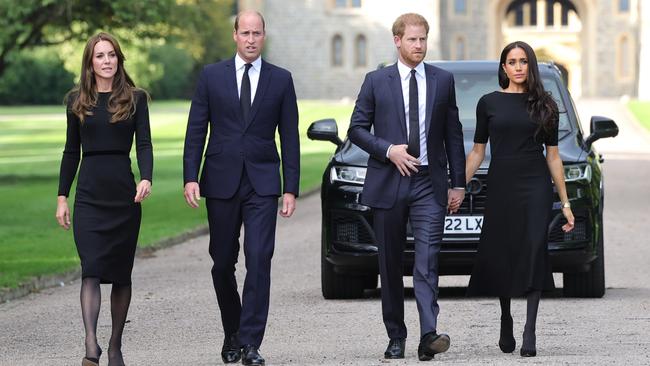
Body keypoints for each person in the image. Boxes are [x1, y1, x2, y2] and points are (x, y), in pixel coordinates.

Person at [182, 10, 299, 366]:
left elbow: (290, 137)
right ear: (234, 35)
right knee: (221, 263)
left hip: (263, 182)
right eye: (245, 32)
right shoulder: (211, 76)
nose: (251, 39)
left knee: (260, 259)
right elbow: (196, 129)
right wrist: (191, 176)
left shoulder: (281, 79)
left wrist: (290, 187)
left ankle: (249, 343)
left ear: (264, 36)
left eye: (257, 33)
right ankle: (232, 331)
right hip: (220, 180)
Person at [348, 13, 466, 362]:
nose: (419, 46)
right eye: (412, 40)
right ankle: (396, 335)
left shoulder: (443, 80)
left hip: (429, 182)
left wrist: (457, 182)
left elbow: (453, 134)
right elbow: (356, 128)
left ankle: (429, 334)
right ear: (397, 41)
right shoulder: (375, 81)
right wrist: (388, 150)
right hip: (390, 181)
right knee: (390, 262)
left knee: (427, 261)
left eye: (423, 39)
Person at [464, 41, 575, 357]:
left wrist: (565, 203)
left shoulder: (546, 105)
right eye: (511, 61)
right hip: (501, 184)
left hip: (535, 185)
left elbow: (553, 157)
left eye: (523, 61)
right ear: (503, 67)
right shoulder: (488, 103)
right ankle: (506, 317)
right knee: (504, 251)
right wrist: (457, 186)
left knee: (533, 248)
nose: (517, 66)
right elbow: (477, 151)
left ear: (530, 66)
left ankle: (530, 330)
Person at [55, 32, 153, 366]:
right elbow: (71, 152)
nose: (107, 60)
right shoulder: (76, 101)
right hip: (89, 198)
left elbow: (145, 144)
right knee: (91, 270)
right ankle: (90, 346)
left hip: (124, 198)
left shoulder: (136, 99)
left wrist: (146, 177)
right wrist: (61, 196)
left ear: (119, 59)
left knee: (122, 275)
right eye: (100, 56)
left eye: (111, 54)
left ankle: (115, 346)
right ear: (90, 62)